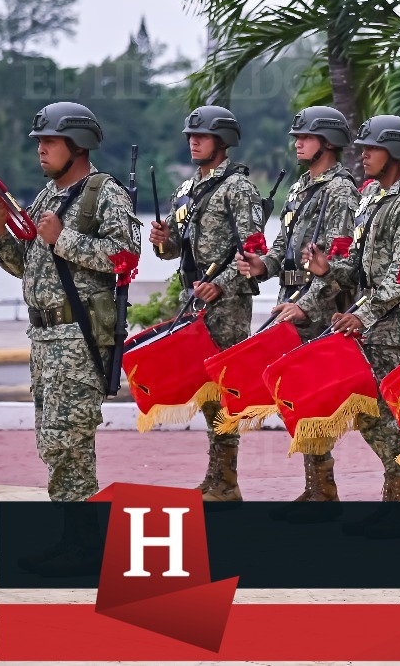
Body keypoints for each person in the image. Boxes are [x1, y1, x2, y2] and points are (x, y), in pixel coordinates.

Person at [0, 102, 140, 575]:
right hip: (45, 337)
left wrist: (63, 240)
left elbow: (126, 257)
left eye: (49, 141)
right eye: (39, 141)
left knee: (66, 439)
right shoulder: (45, 199)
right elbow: (24, 265)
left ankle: (85, 545)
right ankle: (80, 542)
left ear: (78, 146)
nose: (40, 149)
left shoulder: (104, 194)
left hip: (79, 338)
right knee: (56, 443)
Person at [305, 115, 400, 516]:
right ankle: (397, 495)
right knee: (369, 413)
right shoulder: (373, 198)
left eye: (371, 149)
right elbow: (357, 267)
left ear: (394, 153)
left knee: (379, 415)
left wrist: (364, 313)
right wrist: (330, 270)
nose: (363, 156)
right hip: (369, 326)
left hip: (391, 329)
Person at [235, 106, 358, 504]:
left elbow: (338, 262)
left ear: (328, 142)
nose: (297, 143)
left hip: (318, 305)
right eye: (296, 137)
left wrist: (307, 304)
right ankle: (319, 487)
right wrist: (262, 265)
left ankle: (347, 486)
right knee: (299, 397)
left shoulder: (341, 191)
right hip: (290, 301)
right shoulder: (302, 186)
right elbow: (283, 248)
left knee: (319, 397)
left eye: (305, 137)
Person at [149, 106, 264, 502]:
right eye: (191, 136)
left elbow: (254, 250)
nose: (194, 141)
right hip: (192, 299)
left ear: (223, 141)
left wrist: (225, 283)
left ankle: (226, 479)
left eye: (203, 136)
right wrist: (164, 240)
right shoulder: (186, 189)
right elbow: (173, 250)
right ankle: (217, 475)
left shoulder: (239, 188)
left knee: (224, 389)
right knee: (205, 392)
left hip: (227, 303)